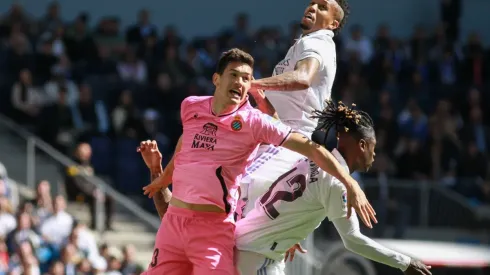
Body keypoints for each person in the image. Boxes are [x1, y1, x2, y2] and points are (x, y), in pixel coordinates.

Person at [140, 48, 375, 275]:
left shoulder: (255, 122)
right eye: (234, 75)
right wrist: (163, 177)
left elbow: (312, 150)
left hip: (212, 229)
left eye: (246, 78)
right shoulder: (191, 106)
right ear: (216, 79)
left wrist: (349, 182)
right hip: (173, 223)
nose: (241, 83)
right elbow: (186, 143)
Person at [235, 101, 432, 275]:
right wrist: (405, 263)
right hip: (258, 253)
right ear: (363, 145)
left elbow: (291, 198)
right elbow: (352, 240)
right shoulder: (338, 182)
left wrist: (287, 231)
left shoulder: (314, 159)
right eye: (374, 147)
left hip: (256, 248)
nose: (374, 155)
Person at [239, 0, 352, 222]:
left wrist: (253, 84)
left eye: (322, 7)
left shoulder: (316, 43)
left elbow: (302, 79)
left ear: (333, 24)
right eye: (312, 3)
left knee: (237, 198)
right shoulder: (307, 43)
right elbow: (287, 101)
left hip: (286, 141)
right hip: (278, 135)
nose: (312, 7)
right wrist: (259, 98)